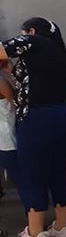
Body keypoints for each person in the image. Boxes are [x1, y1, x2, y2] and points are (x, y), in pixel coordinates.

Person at [2, 18, 66, 237]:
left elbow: (2, 49)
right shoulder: (63, 56)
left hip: (37, 118)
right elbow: (30, 80)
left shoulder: (33, 42)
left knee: (32, 173)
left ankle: (35, 233)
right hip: (63, 116)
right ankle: (61, 227)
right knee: (57, 172)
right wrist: (9, 70)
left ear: (32, 31)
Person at [0, 57, 16, 214]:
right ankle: (34, 219)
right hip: (6, 136)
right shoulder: (2, 82)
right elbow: (16, 104)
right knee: (20, 178)